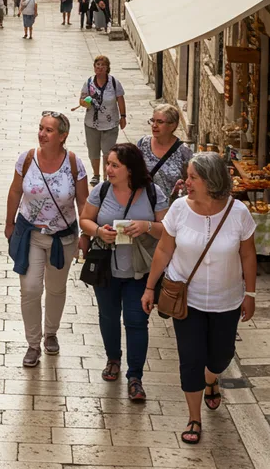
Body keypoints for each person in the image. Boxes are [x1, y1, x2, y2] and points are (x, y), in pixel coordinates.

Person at [142, 152, 257, 445]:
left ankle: (212, 379)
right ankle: (194, 417)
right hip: (187, 301)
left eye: (193, 177)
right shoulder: (179, 209)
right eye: (188, 176)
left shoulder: (238, 213)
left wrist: (250, 293)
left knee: (221, 356)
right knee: (190, 359)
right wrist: (150, 287)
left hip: (226, 300)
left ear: (211, 180)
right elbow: (164, 251)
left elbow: (247, 254)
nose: (186, 182)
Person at [79, 143, 168, 402]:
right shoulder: (102, 190)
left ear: (130, 169)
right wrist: (98, 232)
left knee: (137, 322)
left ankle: (135, 377)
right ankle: (113, 359)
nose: (108, 169)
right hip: (107, 267)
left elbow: (168, 228)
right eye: (108, 163)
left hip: (140, 272)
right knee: (108, 316)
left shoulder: (152, 192)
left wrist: (147, 226)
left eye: (115, 165)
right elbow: (85, 220)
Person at [5, 112, 88, 367]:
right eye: (41, 128)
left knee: (55, 288)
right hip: (30, 234)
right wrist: (9, 223)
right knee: (30, 289)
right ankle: (33, 344)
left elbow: (83, 201)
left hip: (62, 239)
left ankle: (51, 332)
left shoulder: (74, 164)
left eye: (49, 130)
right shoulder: (27, 159)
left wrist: (85, 234)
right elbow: (16, 190)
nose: (42, 134)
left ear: (63, 136)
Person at [75, 55, 126, 185]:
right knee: (93, 151)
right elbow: (81, 100)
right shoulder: (89, 82)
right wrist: (86, 102)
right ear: (94, 67)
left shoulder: (114, 83)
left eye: (103, 65)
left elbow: (120, 99)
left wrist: (123, 116)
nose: (100, 68)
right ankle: (96, 175)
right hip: (91, 123)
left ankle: (106, 177)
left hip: (110, 123)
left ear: (107, 68)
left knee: (108, 152)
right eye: (97, 65)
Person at [139, 104, 194, 202]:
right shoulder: (143, 144)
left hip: (170, 207)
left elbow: (191, 181)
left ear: (172, 125)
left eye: (160, 122)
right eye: (153, 121)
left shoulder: (184, 152)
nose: (154, 125)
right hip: (144, 204)